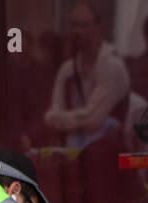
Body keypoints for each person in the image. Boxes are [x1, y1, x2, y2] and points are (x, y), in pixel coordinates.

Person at [44, 2, 131, 149]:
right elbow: (52, 116)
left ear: (98, 27)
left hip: (107, 154)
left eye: (84, 25)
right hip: (75, 157)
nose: (78, 31)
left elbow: (93, 121)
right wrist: (66, 120)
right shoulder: (67, 70)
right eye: (74, 25)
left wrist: (60, 120)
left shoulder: (112, 66)